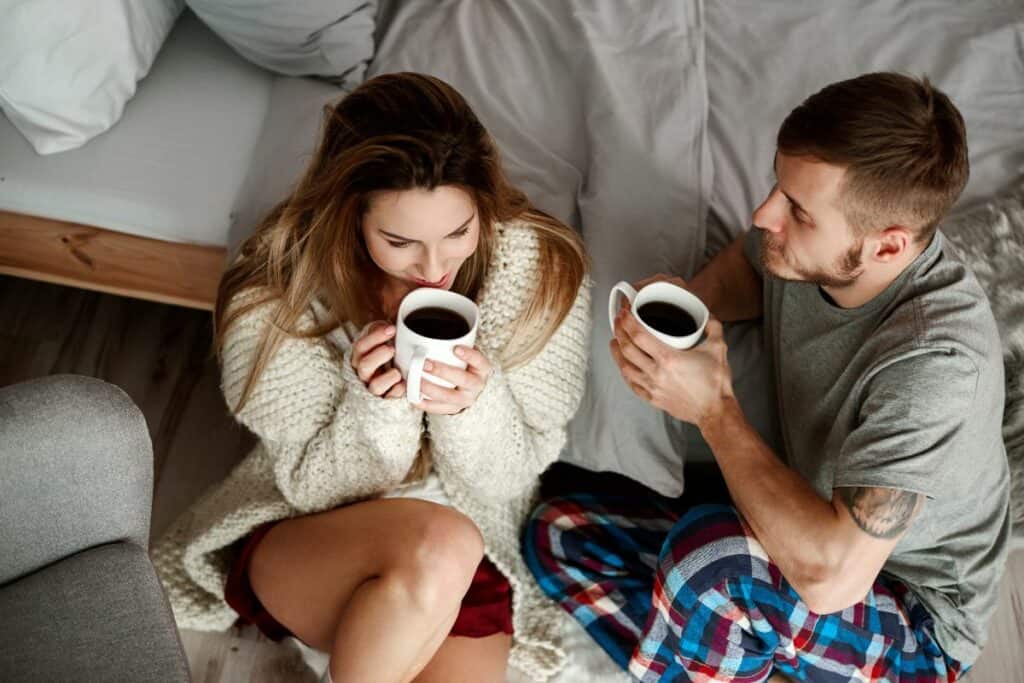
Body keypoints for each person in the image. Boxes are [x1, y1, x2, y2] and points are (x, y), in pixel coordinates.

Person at [524, 72, 1010, 682]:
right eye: (777, 186)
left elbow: (833, 579)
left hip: (911, 617)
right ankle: (732, 658)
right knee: (559, 532)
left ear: (888, 248)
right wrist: (689, 309)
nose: (764, 214)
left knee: (712, 565)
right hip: (796, 536)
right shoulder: (811, 252)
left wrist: (714, 409)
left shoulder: (933, 368)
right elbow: (751, 266)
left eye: (797, 211)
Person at [153, 72, 591, 683]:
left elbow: (508, 477)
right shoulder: (277, 292)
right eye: (400, 240)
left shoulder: (540, 273)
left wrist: (472, 405)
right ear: (350, 216)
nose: (435, 267)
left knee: (456, 545)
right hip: (314, 533)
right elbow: (311, 488)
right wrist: (377, 403)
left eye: (458, 232)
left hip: (476, 555)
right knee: (444, 543)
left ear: (483, 206)